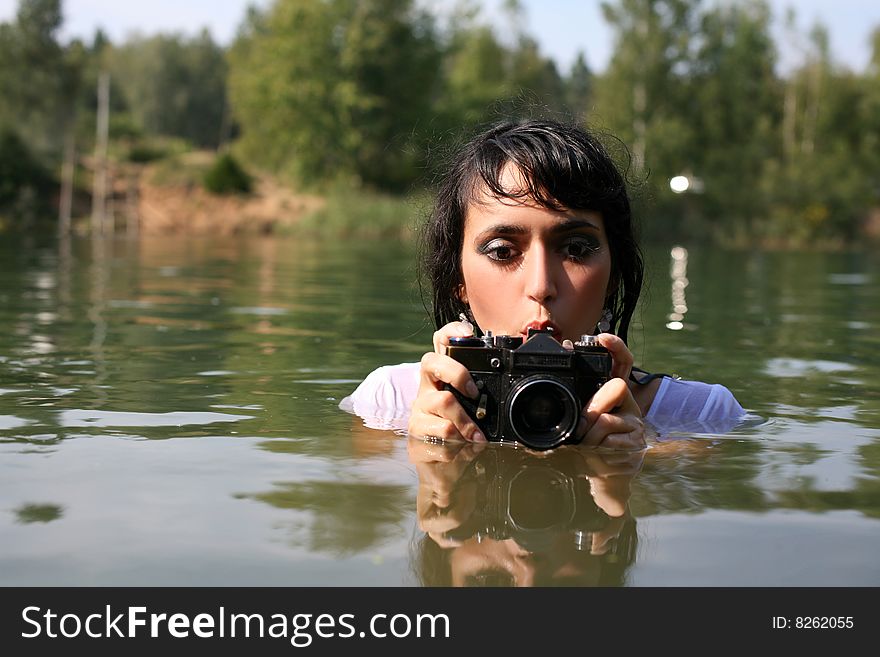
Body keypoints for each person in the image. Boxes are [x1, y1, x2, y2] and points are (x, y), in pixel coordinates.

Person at [340, 118, 745, 447]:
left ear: (614, 275)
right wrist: (431, 465)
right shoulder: (388, 402)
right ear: (457, 281)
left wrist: (631, 466)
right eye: (502, 251)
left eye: (576, 249)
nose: (541, 286)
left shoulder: (702, 417)